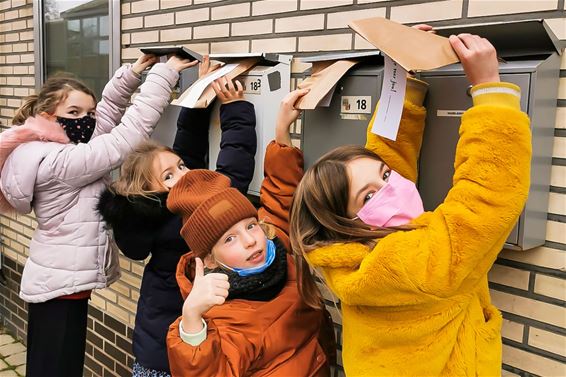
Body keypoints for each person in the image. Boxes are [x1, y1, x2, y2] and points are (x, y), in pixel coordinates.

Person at [289, 33, 531, 376]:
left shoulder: (352, 258)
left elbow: (387, 156)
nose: (391, 188)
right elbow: (485, 200)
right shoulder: (408, 266)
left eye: (386, 176)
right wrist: (491, 91)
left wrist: (406, 84)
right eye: (369, 196)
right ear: (344, 223)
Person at [0, 53, 196, 377]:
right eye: (74, 112)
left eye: (86, 112)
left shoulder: (55, 144)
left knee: (49, 364)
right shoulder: (58, 162)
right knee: (57, 369)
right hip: (60, 286)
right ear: (47, 115)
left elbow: (105, 118)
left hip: (60, 280)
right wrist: (166, 73)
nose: (85, 119)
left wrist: (134, 73)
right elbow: (124, 138)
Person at [97, 55, 257, 377]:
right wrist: (236, 111)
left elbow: (189, 151)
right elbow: (231, 177)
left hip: (153, 345)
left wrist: (199, 96)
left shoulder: (153, 215)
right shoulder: (185, 218)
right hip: (176, 353)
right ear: (152, 193)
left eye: (180, 167)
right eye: (169, 177)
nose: (183, 176)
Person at [165, 89, 335, 377]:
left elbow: (279, 198)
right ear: (208, 260)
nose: (250, 240)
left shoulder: (274, 245)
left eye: (250, 225)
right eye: (228, 239)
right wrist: (191, 318)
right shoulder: (220, 318)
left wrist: (282, 131)